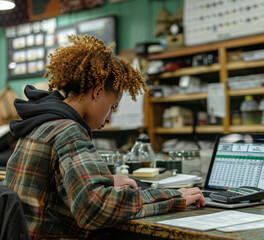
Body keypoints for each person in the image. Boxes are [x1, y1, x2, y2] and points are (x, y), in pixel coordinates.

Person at [3, 35, 205, 239]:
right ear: (98, 92)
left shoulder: (41, 123)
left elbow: (57, 188)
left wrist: (103, 181)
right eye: (112, 107)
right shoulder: (68, 131)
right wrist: (175, 196)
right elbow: (95, 210)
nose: (109, 118)